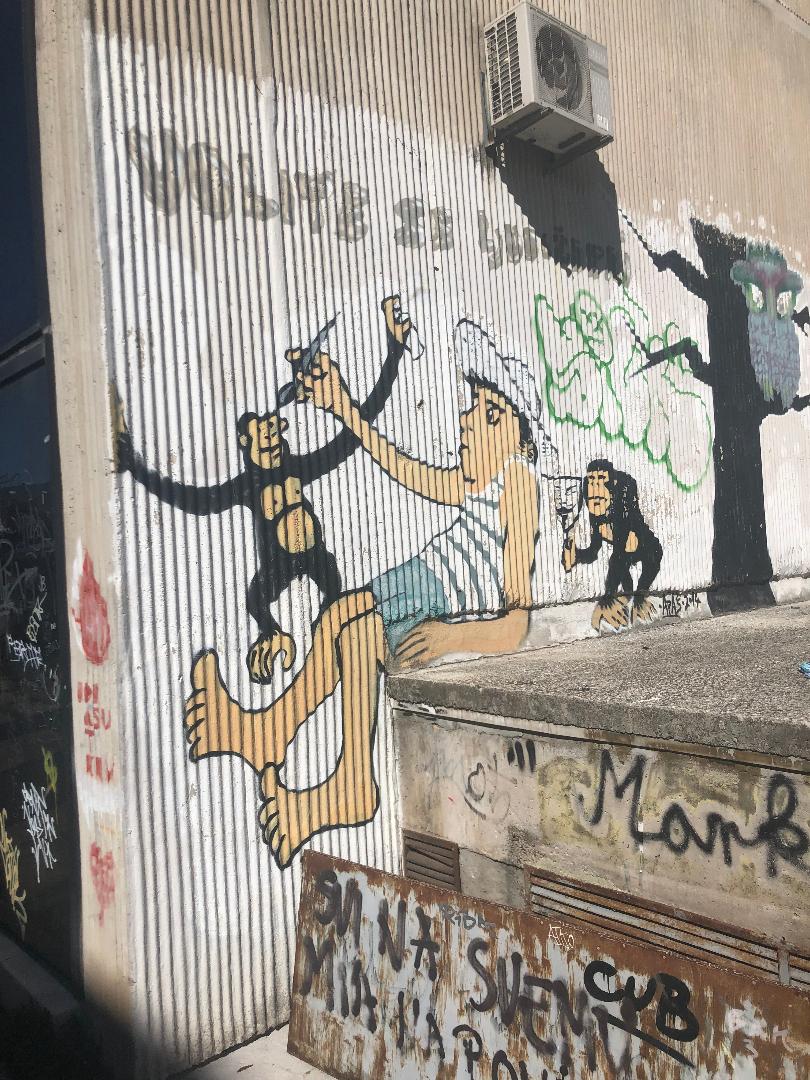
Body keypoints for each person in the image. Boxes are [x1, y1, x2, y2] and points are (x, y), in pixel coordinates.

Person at [184, 319, 543, 866]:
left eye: (488, 413)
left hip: (436, 598)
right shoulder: (476, 483)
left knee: (353, 626)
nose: (467, 419)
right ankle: (289, 744)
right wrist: (344, 409)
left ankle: (333, 772)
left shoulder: (518, 480)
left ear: (517, 437)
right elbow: (406, 469)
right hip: (420, 579)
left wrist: (450, 637)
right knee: (340, 620)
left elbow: (516, 623)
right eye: (474, 406)